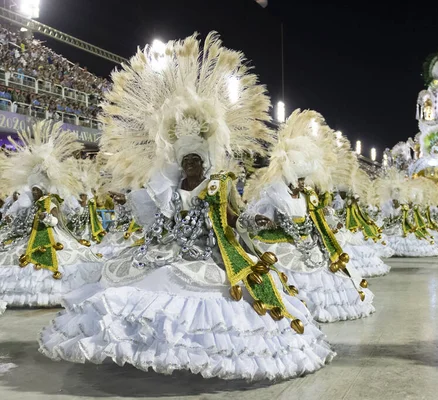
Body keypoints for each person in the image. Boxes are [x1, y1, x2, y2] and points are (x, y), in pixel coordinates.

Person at [39, 33, 335, 380]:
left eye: (196, 160)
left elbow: (234, 217)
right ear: (180, 163)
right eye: (187, 161)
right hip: (169, 252)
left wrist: (251, 223)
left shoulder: (218, 185)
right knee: (141, 282)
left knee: (215, 292)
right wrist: (135, 201)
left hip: (211, 255)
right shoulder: (169, 188)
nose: (191, 166)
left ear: (205, 162)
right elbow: (157, 222)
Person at [240, 109, 375, 323]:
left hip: (306, 244)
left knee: (326, 275)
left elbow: (317, 218)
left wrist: (330, 221)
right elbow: (249, 217)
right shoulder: (273, 193)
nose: (303, 183)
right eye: (299, 179)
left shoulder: (307, 196)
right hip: (280, 244)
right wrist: (259, 220)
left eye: (304, 179)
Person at [0, 121, 103, 308]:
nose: (36, 193)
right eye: (34, 190)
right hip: (30, 239)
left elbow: (55, 218)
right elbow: (18, 214)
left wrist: (46, 218)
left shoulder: (51, 200)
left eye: (38, 190)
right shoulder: (29, 201)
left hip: (52, 239)